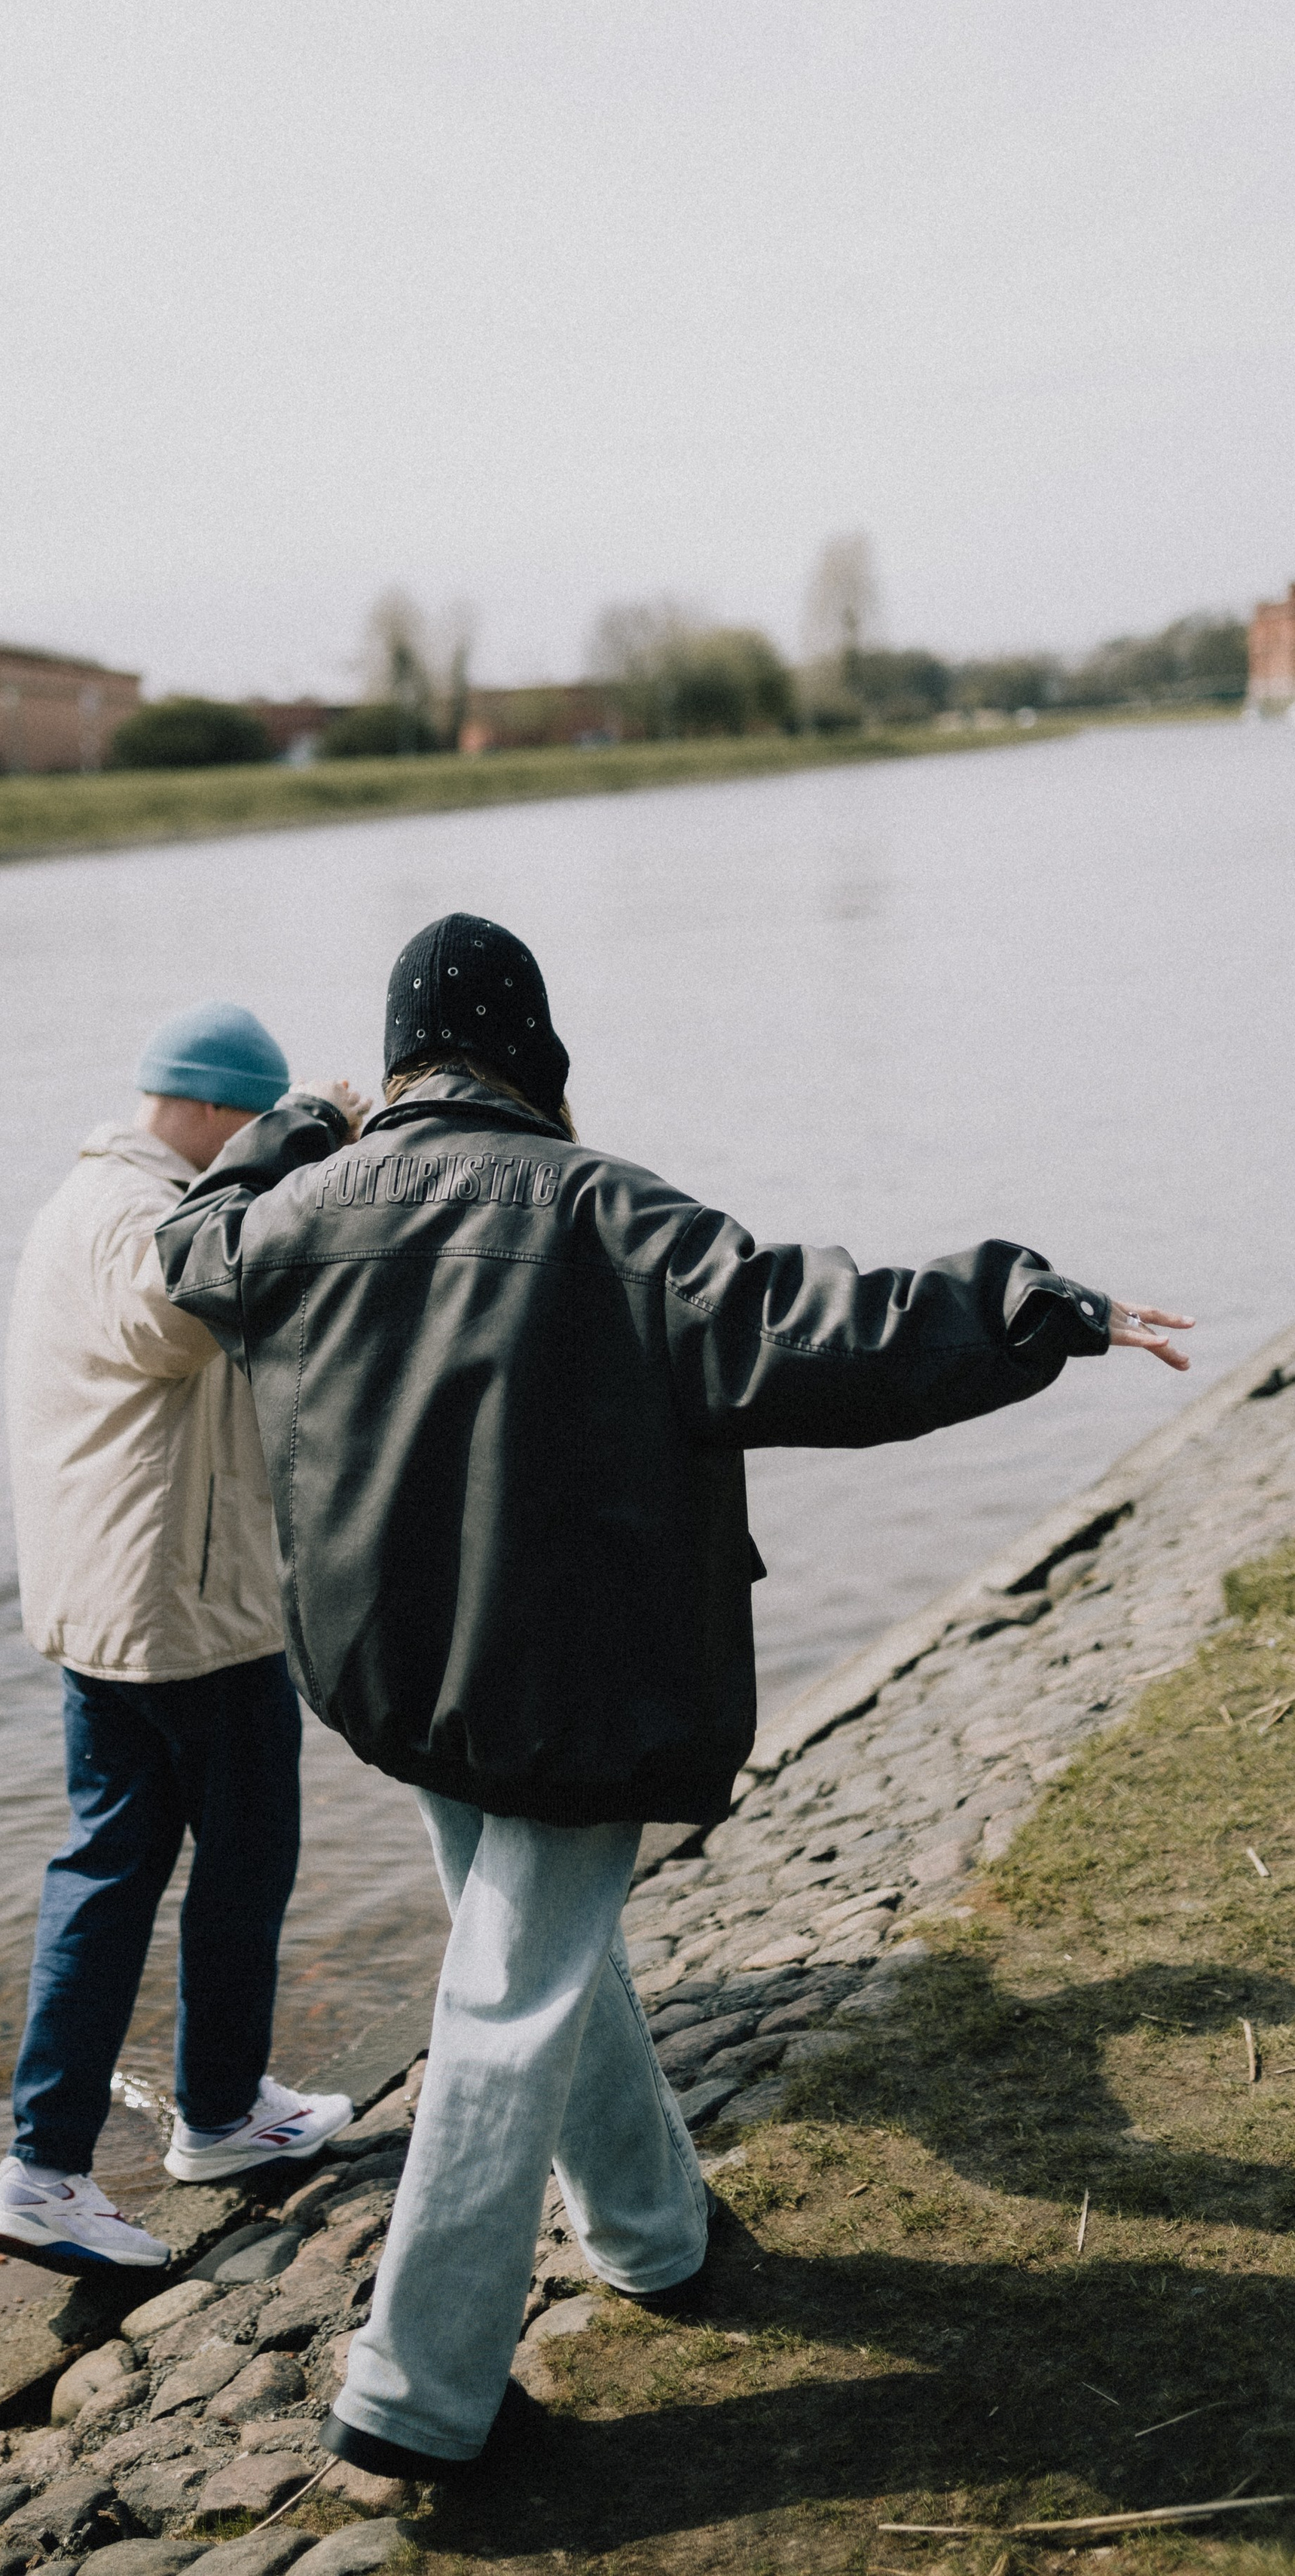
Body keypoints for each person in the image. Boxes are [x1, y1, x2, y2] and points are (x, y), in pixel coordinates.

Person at [155, 911, 1192, 2468]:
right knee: (511, 1997)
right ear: (529, 1050)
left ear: (400, 1059)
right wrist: (1022, 1301)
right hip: (571, 1685)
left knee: (539, 1960)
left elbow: (189, 1246)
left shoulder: (303, 1210)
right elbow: (821, 1328)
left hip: (390, 1672)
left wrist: (294, 1130)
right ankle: (415, 2391)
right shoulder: (607, 1214)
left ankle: (646, 2234)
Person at [0, 1002, 360, 2273]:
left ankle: (93, 2145)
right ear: (204, 1109)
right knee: (241, 1860)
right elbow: (175, 1317)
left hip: (113, 1607)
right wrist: (288, 1159)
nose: (253, 1147)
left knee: (111, 1867)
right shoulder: (134, 1208)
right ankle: (180, 2128)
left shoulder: (86, 1197)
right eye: (251, 1125)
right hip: (185, 1613)